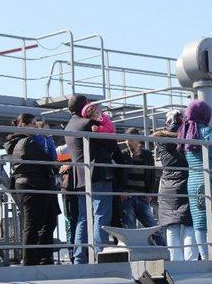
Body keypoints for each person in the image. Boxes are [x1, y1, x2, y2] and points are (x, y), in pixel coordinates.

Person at [64, 94, 124, 265]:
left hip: (80, 178)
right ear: (85, 106)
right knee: (101, 215)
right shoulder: (87, 124)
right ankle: (100, 254)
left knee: (83, 217)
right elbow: (112, 143)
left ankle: (79, 257)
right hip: (98, 174)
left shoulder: (69, 126)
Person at [178, 99, 212, 260]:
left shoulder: (184, 133)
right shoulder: (209, 132)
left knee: (200, 223)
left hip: (194, 183)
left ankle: (205, 257)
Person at [5, 113, 60, 266]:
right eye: (34, 124)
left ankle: (41, 258)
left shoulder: (20, 141)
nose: (37, 127)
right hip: (33, 184)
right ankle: (32, 260)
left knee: (46, 222)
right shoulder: (26, 141)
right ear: (23, 125)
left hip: (36, 183)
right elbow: (48, 160)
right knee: (35, 224)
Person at [154, 110, 198, 261]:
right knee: (189, 225)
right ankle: (191, 261)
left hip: (167, 185)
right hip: (186, 183)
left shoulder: (160, 140)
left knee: (172, 227)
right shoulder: (188, 139)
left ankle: (176, 261)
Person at [118, 127, 165, 246]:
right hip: (127, 197)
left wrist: (150, 193)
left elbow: (152, 174)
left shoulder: (147, 155)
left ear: (138, 141)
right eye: (126, 141)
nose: (128, 143)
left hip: (142, 197)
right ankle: (135, 253)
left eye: (131, 140)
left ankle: (163, 250)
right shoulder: (123, 155)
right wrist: (121, 191)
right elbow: (117, 175)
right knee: (131, 228)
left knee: (152, 227)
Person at [57, 144, 79, 263]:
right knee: (71, 223)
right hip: (69, 189)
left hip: (75, 189)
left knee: (75, 223)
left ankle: (76, 253)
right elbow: (54, 159)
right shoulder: (62, 149)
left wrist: (71, 162)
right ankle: (73, 254)